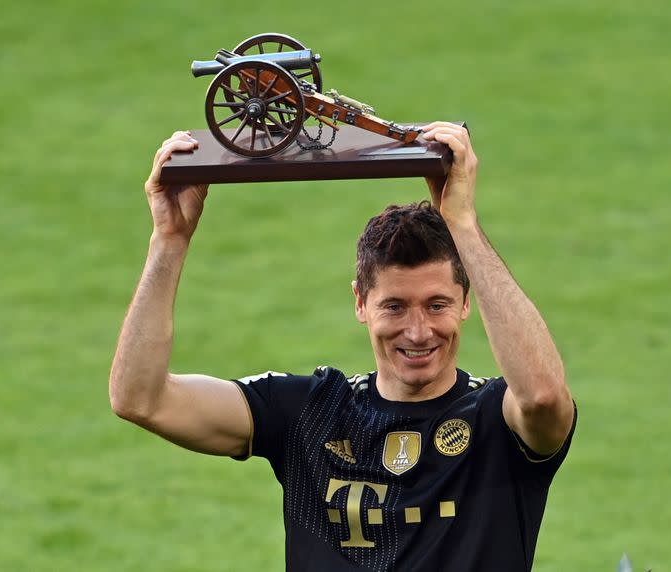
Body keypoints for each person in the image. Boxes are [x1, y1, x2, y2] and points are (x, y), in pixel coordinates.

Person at [109, 122, 576, 571]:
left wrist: (463, 225)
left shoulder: (496, 420)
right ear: (360, 303)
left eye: (437, 305)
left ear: (466, 303)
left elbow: (544, 396)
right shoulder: (311, 412)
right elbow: (140, 398)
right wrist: (169, 241)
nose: (418, 332)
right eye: (395, 306)